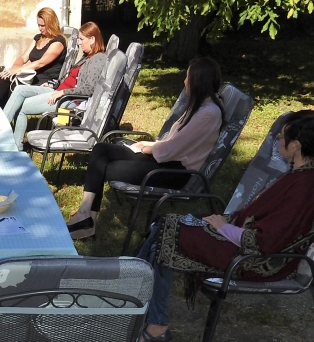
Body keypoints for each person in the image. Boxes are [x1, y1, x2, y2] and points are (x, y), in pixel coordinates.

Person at [139, 109, 314, 342]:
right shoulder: (304, 177)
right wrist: (225, 223)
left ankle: (153, 322)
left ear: (296, 145)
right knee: (166, 226)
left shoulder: (305, 188)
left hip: (258, 261)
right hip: (245, 243)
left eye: (282, 136)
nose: (278, 140)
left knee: (168, 233)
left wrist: (224, 227)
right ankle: (136, 299)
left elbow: (263, 242)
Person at [67, 57, 226, 240]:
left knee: (105, 168)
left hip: (176, 172)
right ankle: (85, 215)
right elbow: (176, 141)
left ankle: (86, 223)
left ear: (198, 81)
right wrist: (149, 144)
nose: (184, 82)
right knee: (101, 150)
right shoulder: (201, 105)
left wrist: (146, 148)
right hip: (166, 159)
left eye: (187, 77)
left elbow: (172, 149)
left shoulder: (208, 113)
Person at [3, 22, 107, 150]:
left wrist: (62, 93)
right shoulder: (87, 57)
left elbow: (88, 89)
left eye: (82, 39)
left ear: (92, 39)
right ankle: (1, 130)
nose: (79, 43)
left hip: (70, 99)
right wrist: (53, 84)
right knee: (20, 90)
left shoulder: (98, 59)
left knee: (22, 107)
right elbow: (69, 78)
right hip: (58, 91)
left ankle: (14, 146)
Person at [0, 7, 66, 108]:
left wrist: (17, 70)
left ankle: (1, 111)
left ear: (51, 24)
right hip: (31, 77)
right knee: (4, 78)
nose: (40, 28)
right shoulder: (38, 38)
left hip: (44, 81)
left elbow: (40, 63)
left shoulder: (58, 41)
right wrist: (13, 68)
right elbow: (23, 57)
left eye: (43, 25)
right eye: (38, 25)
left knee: (12, 87)